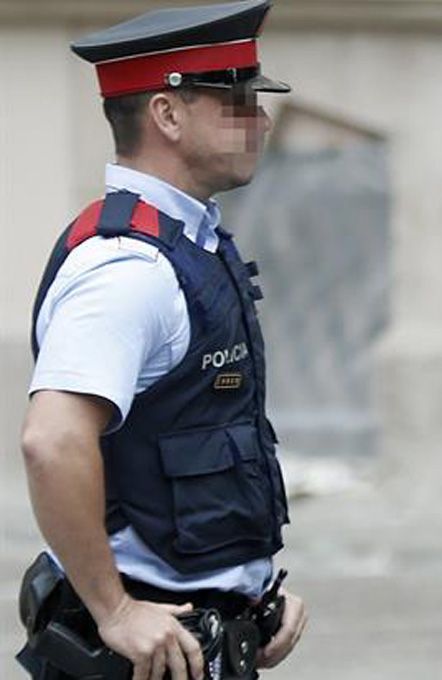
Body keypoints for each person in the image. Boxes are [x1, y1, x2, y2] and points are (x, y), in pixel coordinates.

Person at [17, 2, 308, 678]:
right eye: (236, 100)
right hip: (142, 653)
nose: (259, 120)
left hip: (197, 638)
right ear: (167, 115)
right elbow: (51, 440)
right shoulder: (129, 268)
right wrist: (114, 610)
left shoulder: (192, 245)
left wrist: (253, 591)